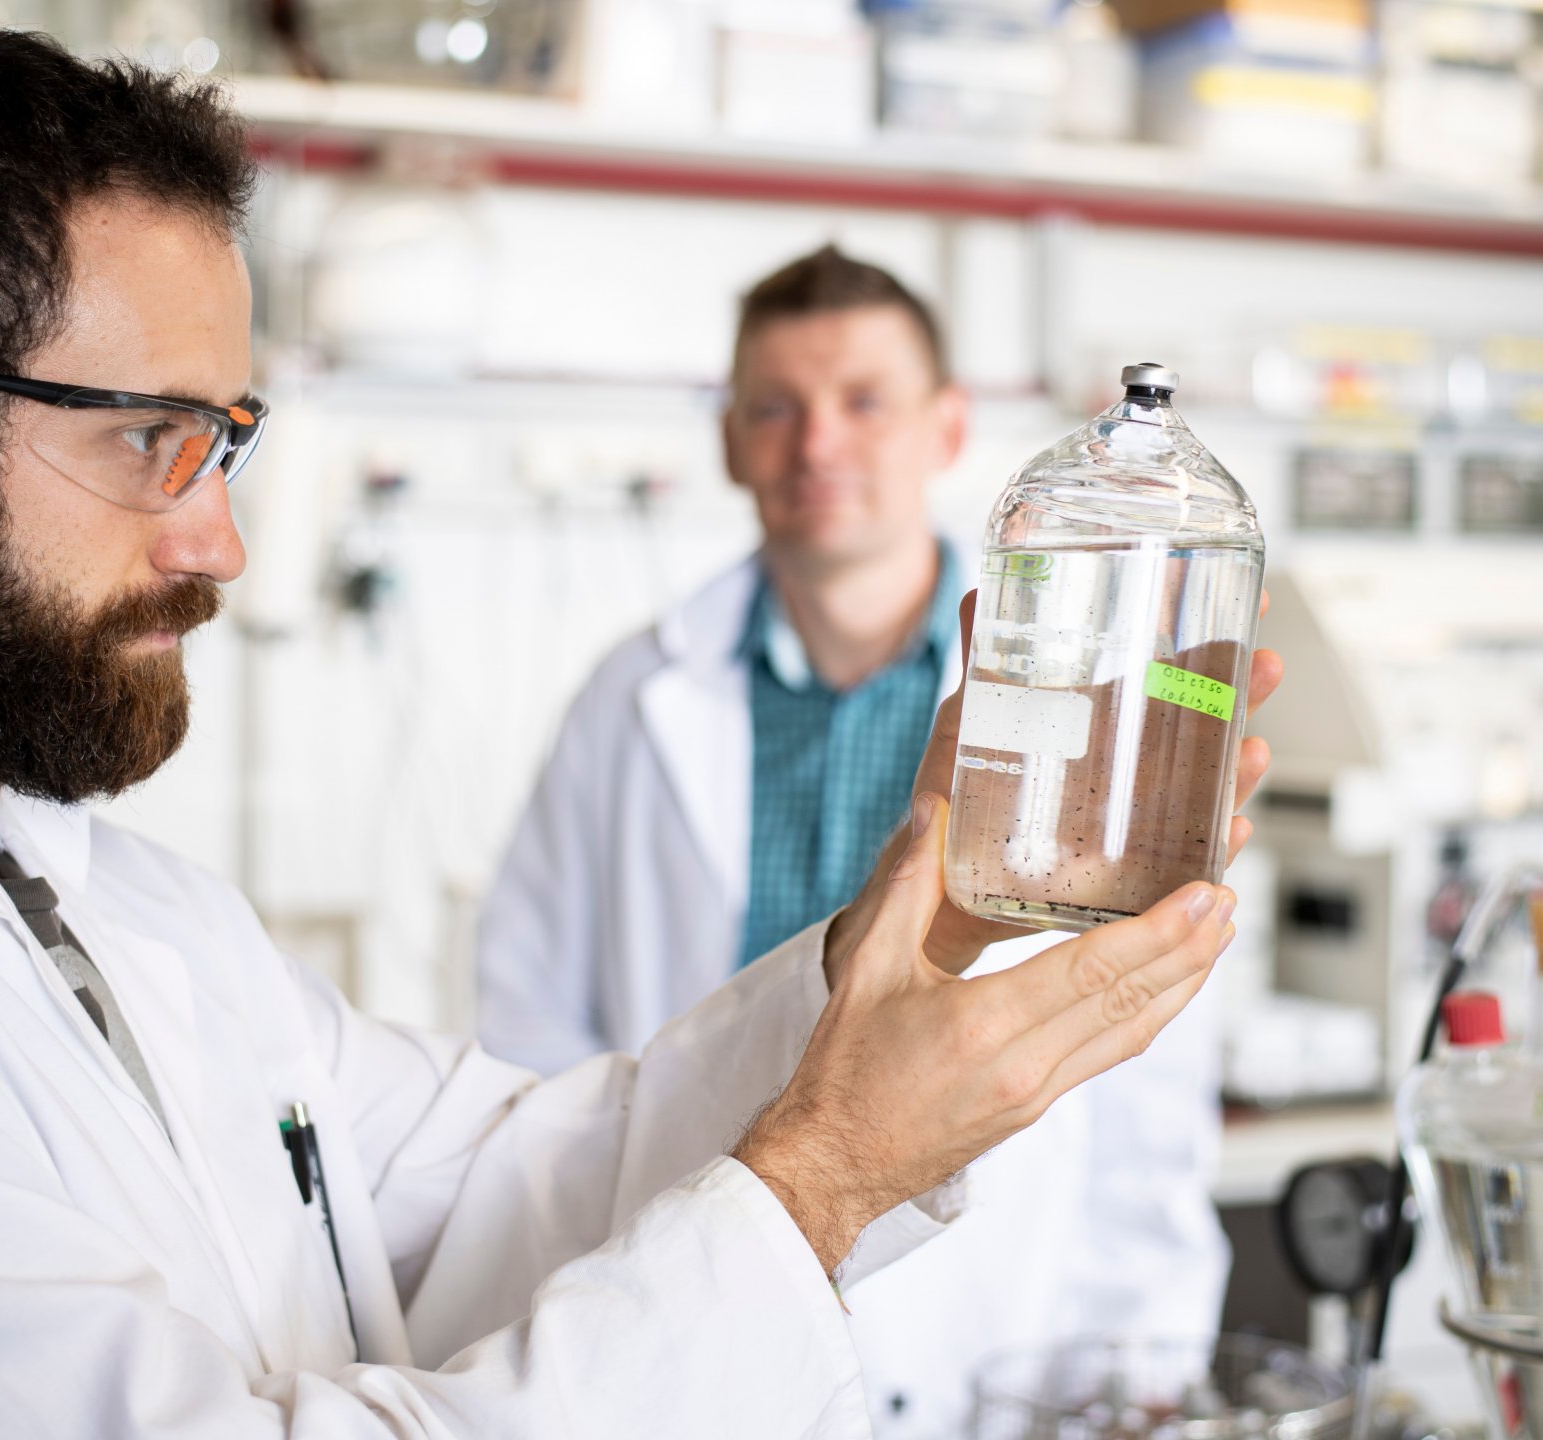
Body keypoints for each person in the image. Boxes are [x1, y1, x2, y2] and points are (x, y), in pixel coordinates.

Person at [0, 29, 1263, 1439]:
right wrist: (819, 1179)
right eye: (148, 443)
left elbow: (509, 1176)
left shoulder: (114, 903)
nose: (218, 545)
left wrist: (926, 923)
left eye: (223, 449)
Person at [475, 247, 1265, 1434]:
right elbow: (528, 1026)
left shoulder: (1091, 696)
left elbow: (1145, 1070)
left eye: (864, 402)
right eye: (775, 409)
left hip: (998, 1346)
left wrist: (1137, 1368)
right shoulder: (629, 702)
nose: (819, 444)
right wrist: (600, 1299)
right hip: (685, 1312)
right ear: (731, 441)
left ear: (948, 428)